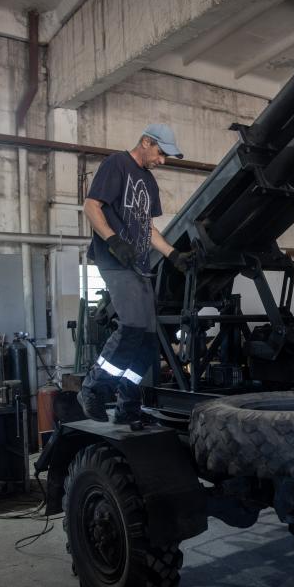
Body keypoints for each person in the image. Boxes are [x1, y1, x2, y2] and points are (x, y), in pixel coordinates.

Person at [77, 123, 193, 429]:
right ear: (145, 142)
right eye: (160, 153)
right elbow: (91, 205)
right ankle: (92, 389)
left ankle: (129, 405)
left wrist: (172, 254)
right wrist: (113, 240)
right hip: (115, 261)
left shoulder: (149, 182)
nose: (163, 160)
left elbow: (147, 228)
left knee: (148, 339)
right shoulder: (117, 164)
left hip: (140, 265)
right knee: (131, 326)